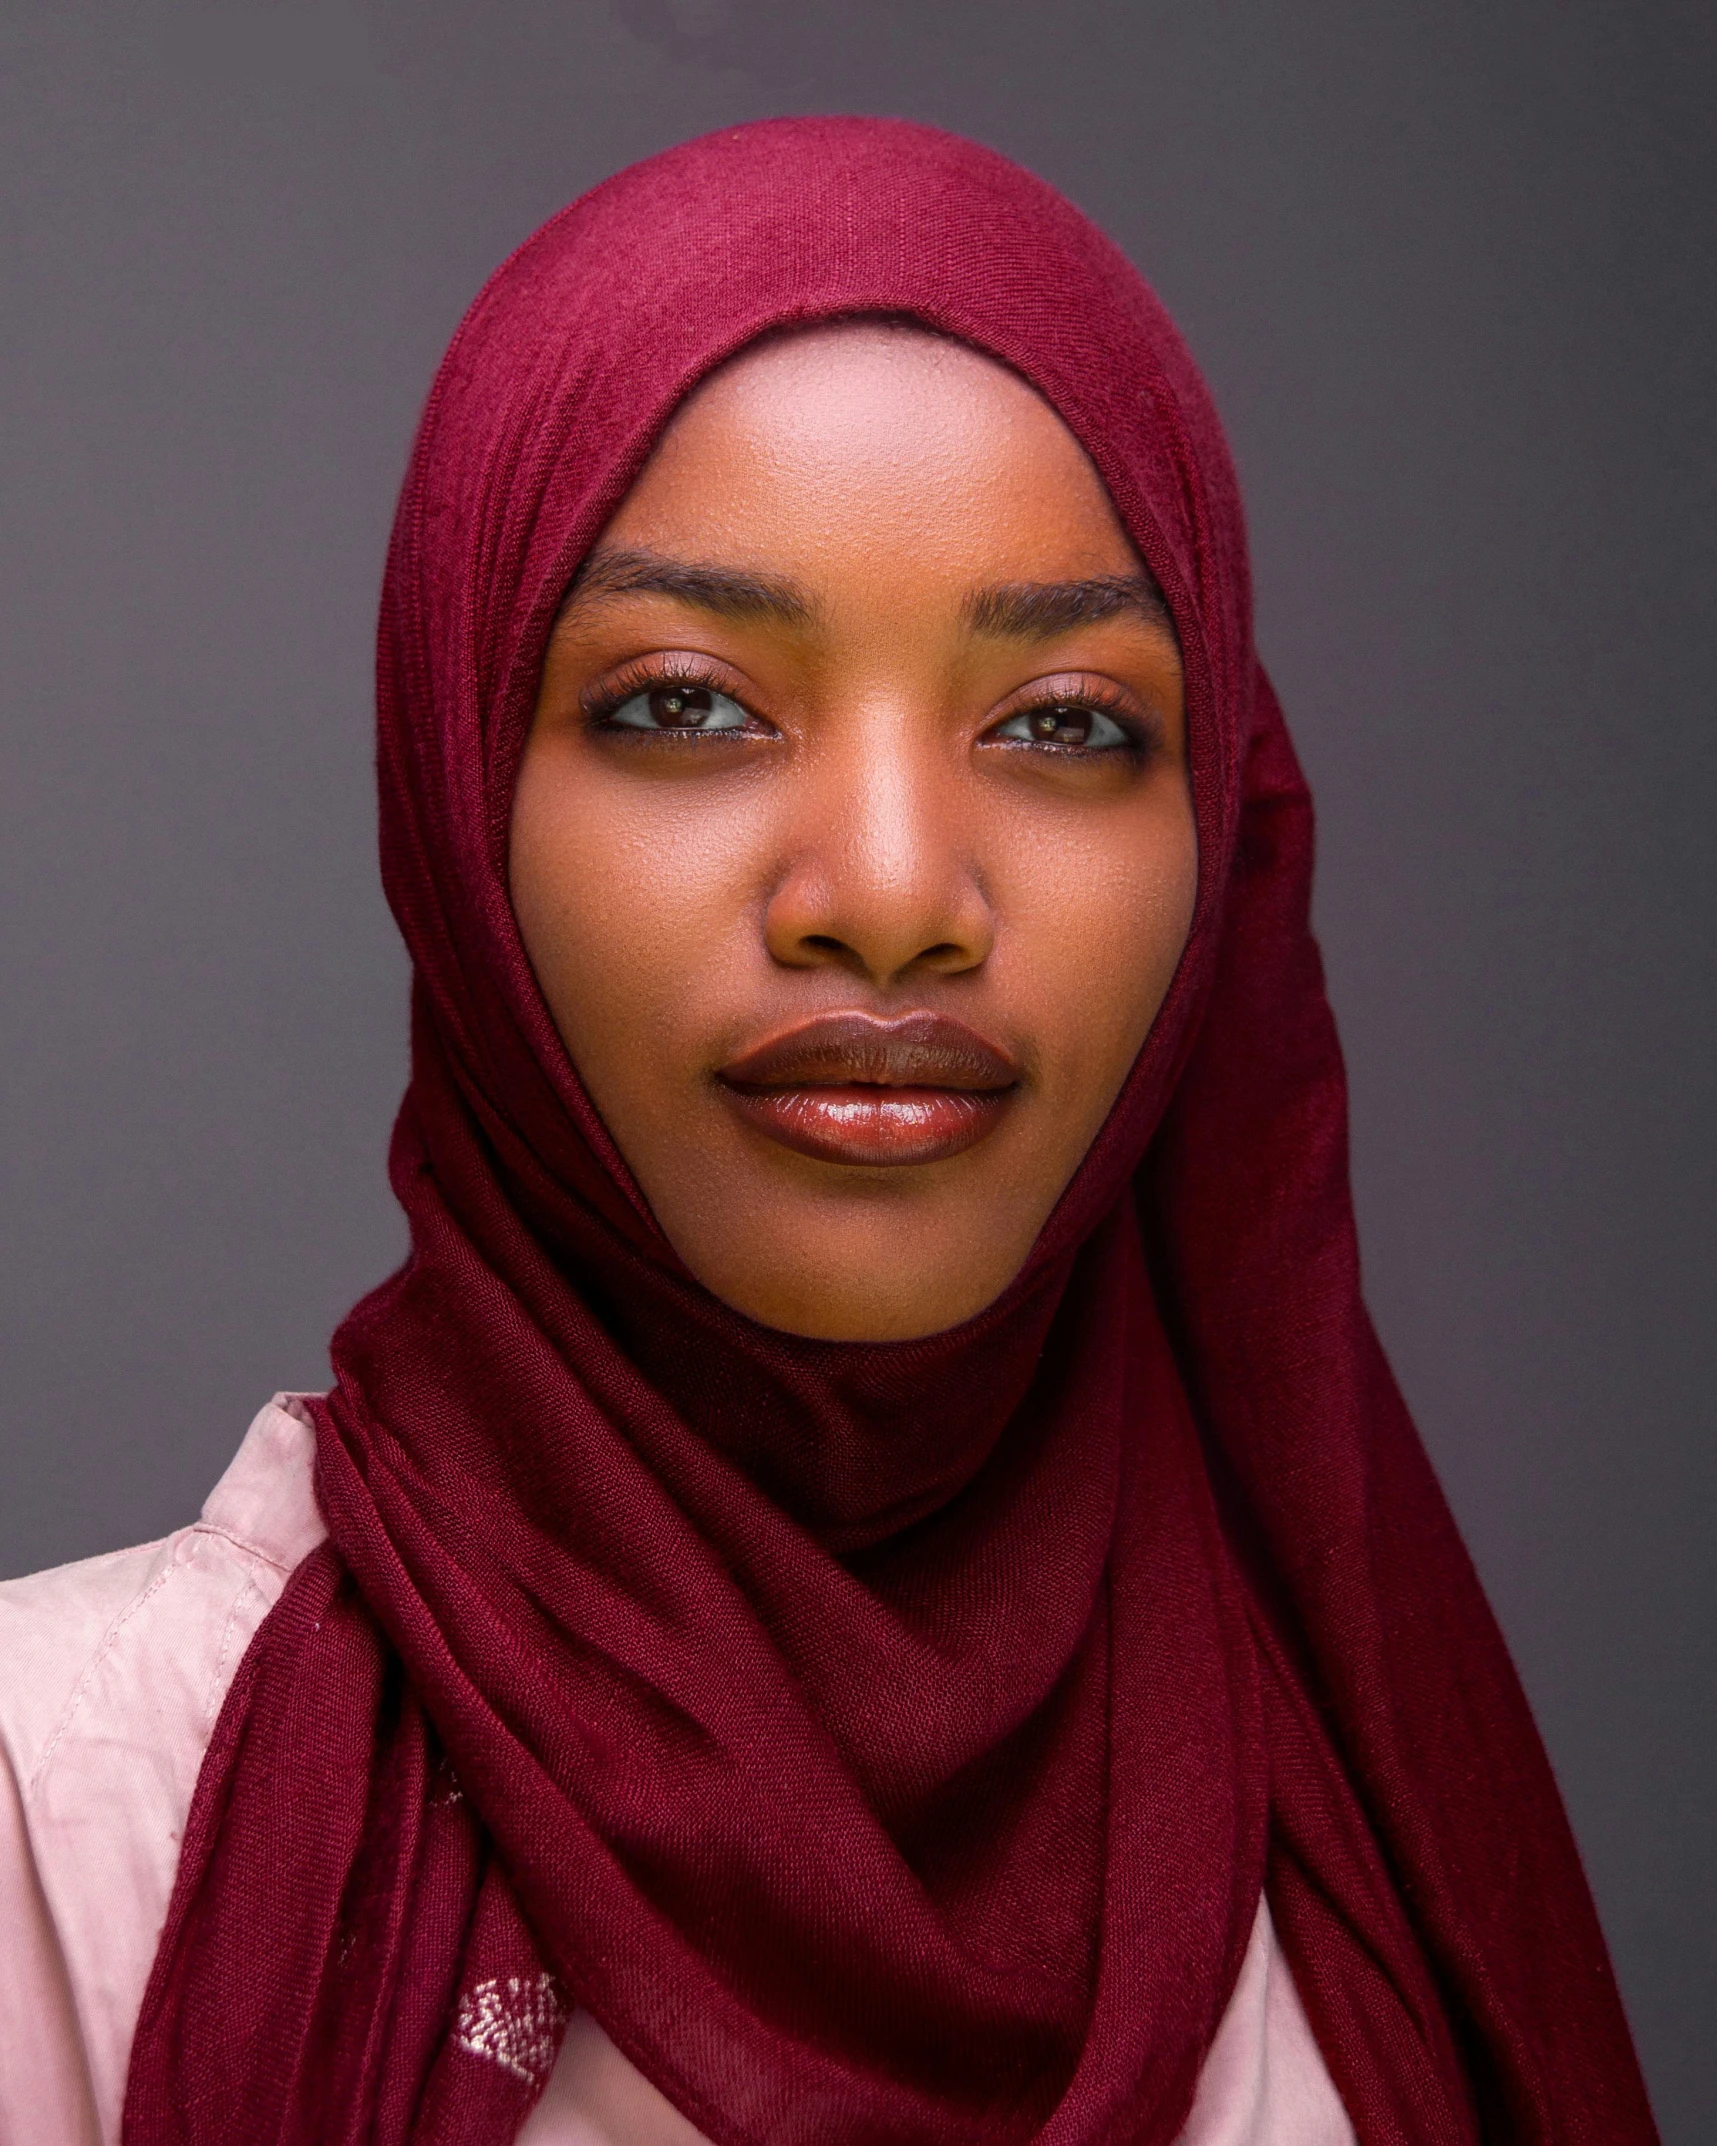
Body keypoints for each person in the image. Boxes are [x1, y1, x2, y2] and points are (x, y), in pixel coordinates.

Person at [0, 117, 1656, 2146]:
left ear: (1212, 827)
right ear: (457, 800)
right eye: (687, 701)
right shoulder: (61, 1811)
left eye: (1062, 718)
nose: (889, 887)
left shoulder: (1377, 1850)